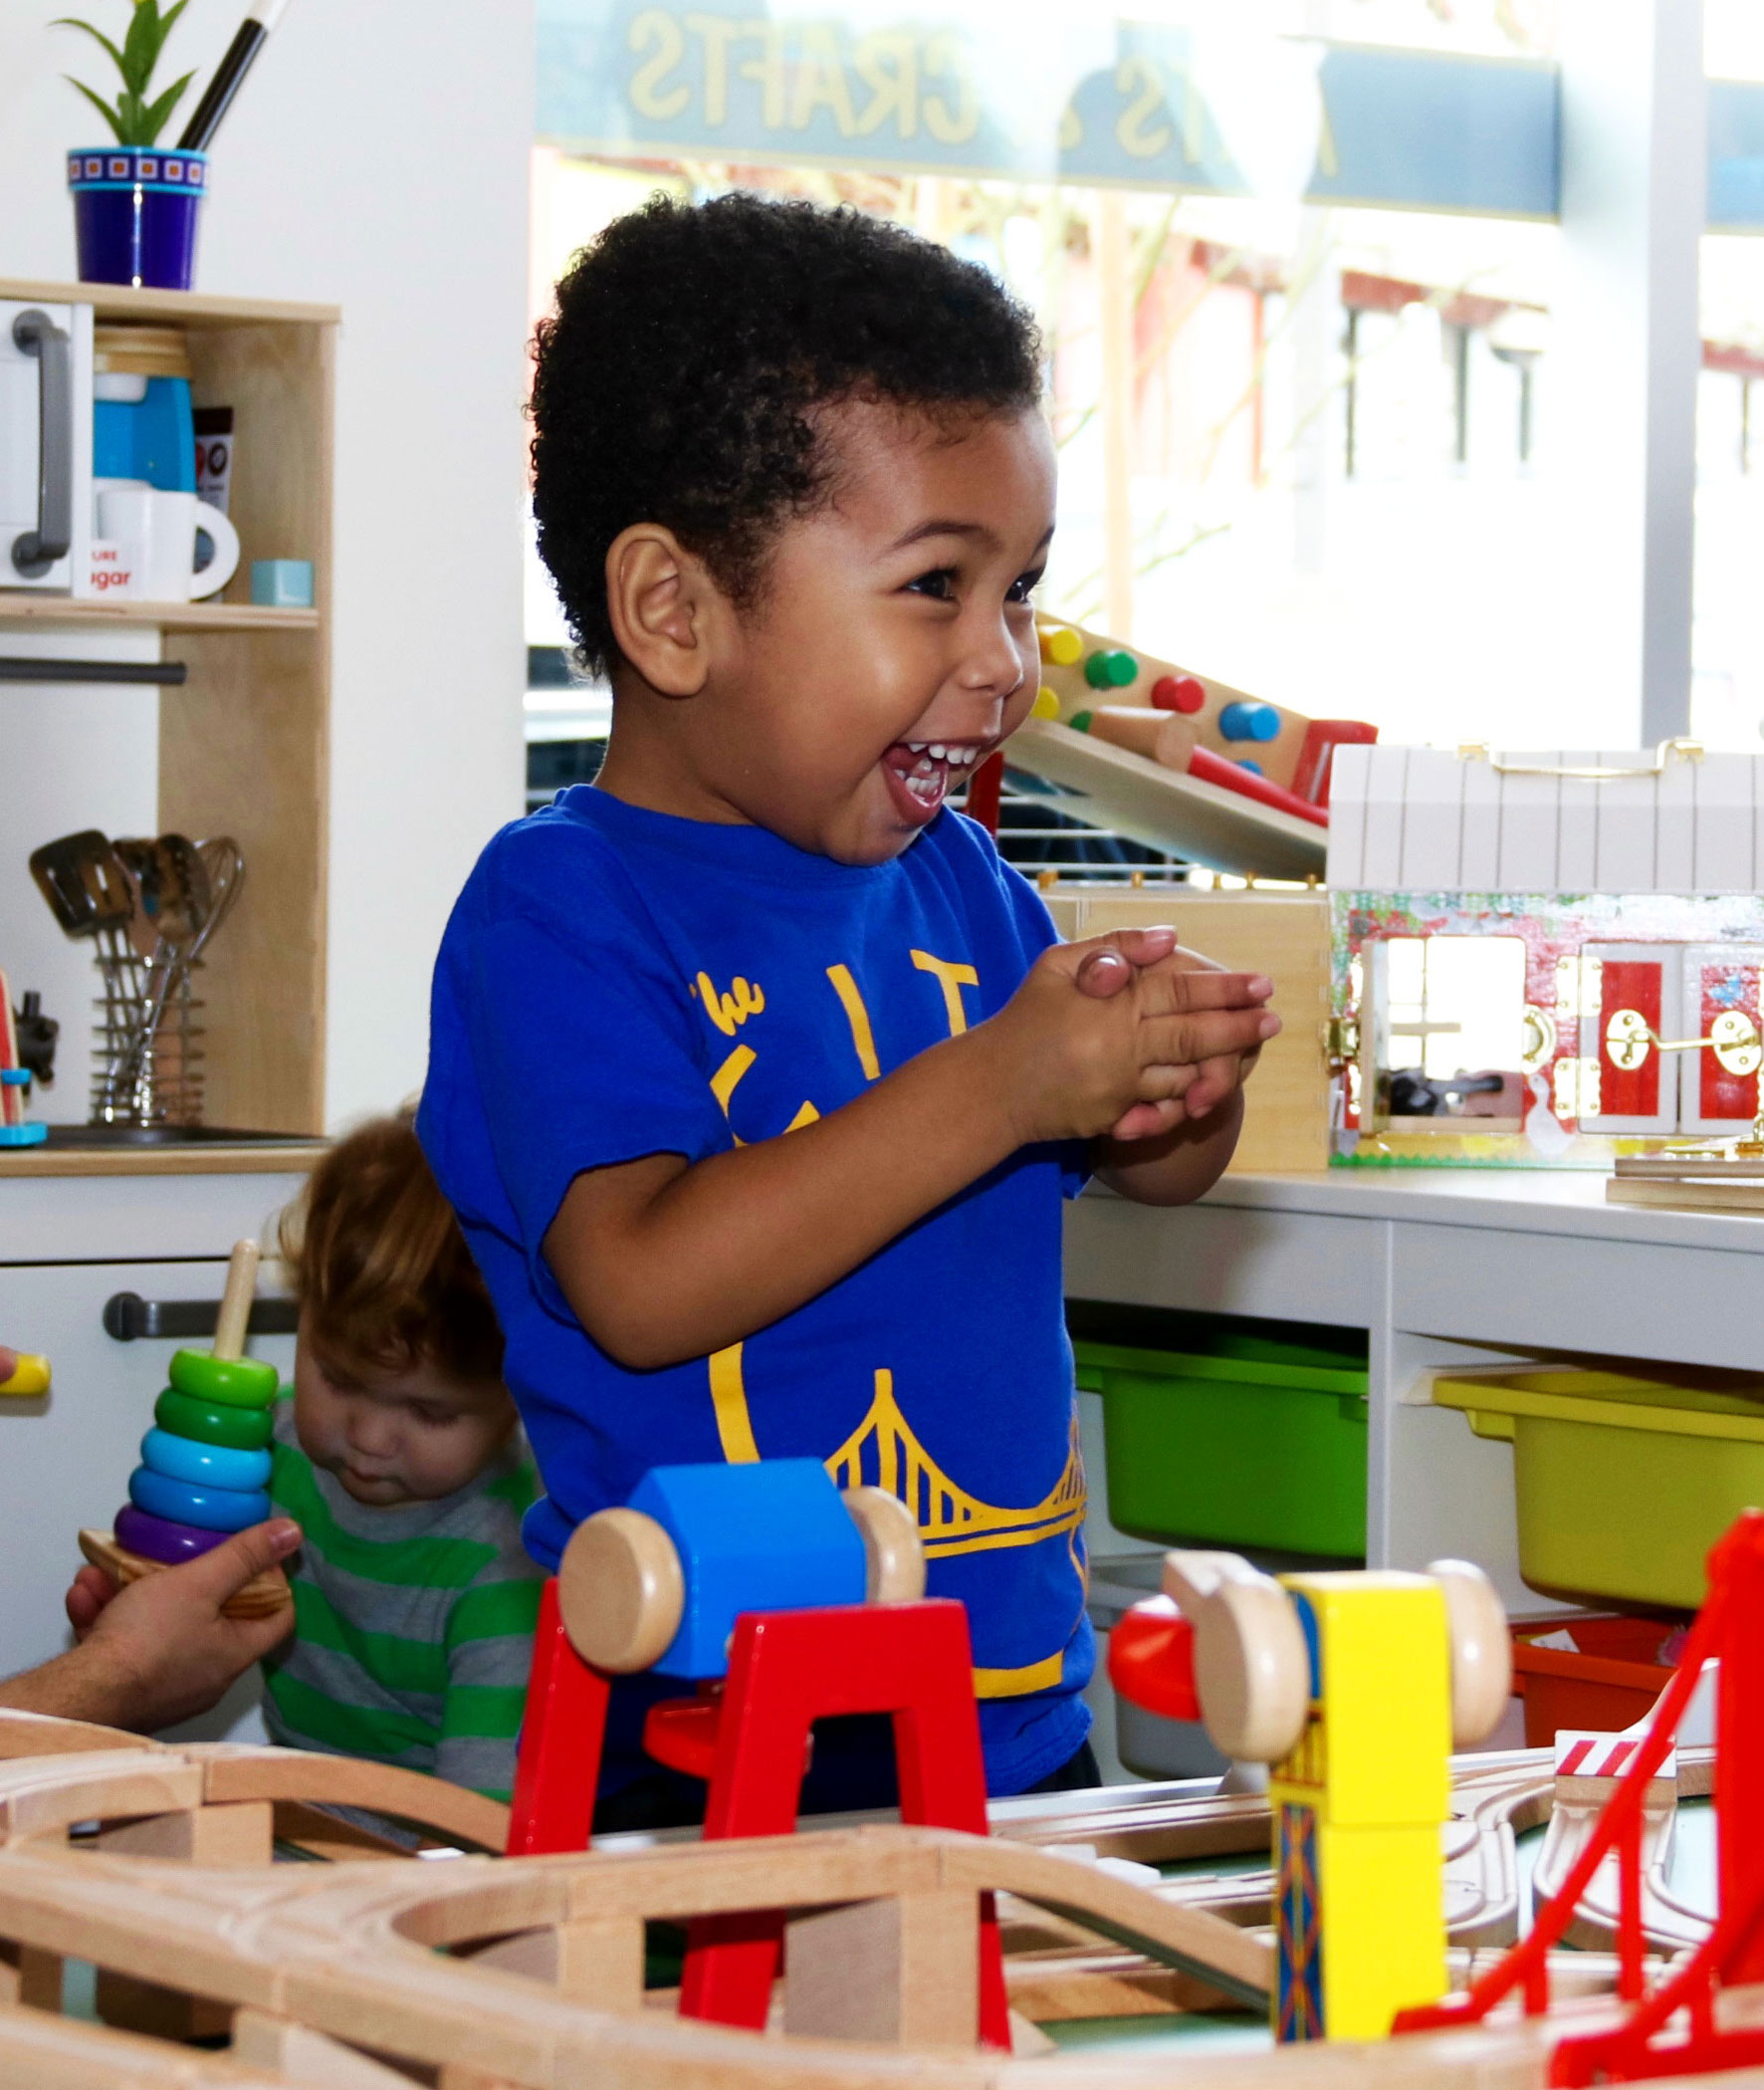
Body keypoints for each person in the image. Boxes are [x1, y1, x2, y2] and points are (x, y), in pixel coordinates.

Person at [418, 194, 1279, 1823]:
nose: (1005, 663)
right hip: (709, 1711)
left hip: (1009, 1689)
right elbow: (643, 1282)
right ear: (676, 612)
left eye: (1017, 588)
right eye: (934, 587)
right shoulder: (561, 907)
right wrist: (1008, 1085)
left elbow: (1135, 1167)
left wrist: (1172, 1090)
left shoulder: (963, 882)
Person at [262, 1116, 544, 1801]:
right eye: (340, 1378)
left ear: (517, 1396)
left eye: (429, 1412)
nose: (370, 1437)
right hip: (294, 1814)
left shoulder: (507, 1563)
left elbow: (476, 1818)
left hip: (429, 1853)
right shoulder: (269, 1445)